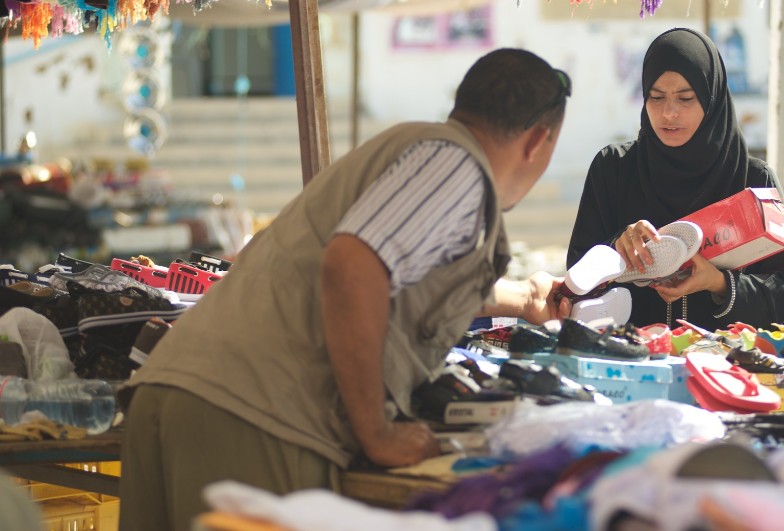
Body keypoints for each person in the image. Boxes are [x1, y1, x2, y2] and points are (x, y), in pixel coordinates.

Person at [117, 48, 574, 529]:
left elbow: (404, 276)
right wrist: (376, 431)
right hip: (257, 417)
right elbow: (352, 266)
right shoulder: (457, 169)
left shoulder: (424, 153)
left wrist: (523, 299)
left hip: (180, 391)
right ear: (538, 141)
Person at [567, 27, 784, 332]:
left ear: (712, 98)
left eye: (686, 98)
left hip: (723, 367)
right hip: (631, 362)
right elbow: (575, 279)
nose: (669, 113)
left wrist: (719, 284)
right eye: (656, 97)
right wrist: (617, 247)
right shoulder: (613, 169)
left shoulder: (752, 180)